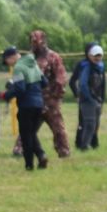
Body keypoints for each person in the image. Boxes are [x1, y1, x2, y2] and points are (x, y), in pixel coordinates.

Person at [3, 45, 49, 169]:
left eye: (7, 62)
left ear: (11, 57)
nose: (9, 65)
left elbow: (20, 89)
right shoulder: (33, 64)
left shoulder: (18, 67)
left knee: (26, 135)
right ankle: (41, 155)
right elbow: (45, 83)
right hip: (39, 104)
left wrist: (5, 95)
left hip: (26, 105)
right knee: (31, 133)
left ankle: (29, 165)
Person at [28, 29, 72, 158]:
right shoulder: (29, 57)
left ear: (44, 41)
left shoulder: (53, 57)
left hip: (50, 100)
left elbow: (61, 77)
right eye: (33, 42)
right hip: (34, 99)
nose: (35, 44)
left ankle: (63, 151)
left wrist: (55, 95)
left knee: (58, 128)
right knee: (28, 126)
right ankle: (21, 149)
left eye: (37, 42)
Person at [71, 43, 107, 151]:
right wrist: (77, 94)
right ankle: (81, 144)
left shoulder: (101, 66)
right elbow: (73, 82)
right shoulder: (83, 65)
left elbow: (103, 84)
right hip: (86, 99)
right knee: (85, 123)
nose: (97, 58)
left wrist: (102, 100)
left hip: (97, 99)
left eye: (99, 55)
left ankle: (94, 143)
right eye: (95, 55)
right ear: (88, 54)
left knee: (94, 123)